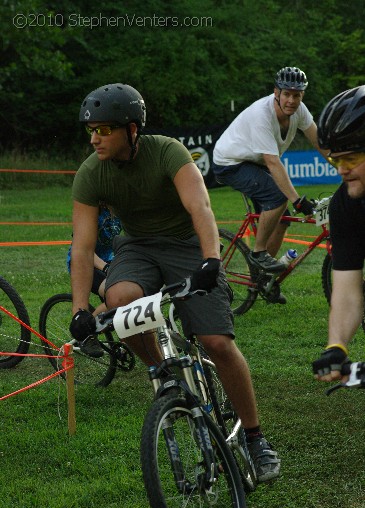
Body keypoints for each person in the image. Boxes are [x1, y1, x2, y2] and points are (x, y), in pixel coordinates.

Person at [68, 82, 281, 482]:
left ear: (132, 130)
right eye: (90, 130)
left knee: (217, 341)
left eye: (105, 129)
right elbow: (82, 247)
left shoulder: (168, 151)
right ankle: (163, 371)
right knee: (118, 299)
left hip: (186, 243)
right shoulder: (90, 173)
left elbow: (199, 206)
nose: (95, 138)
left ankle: (255, 438)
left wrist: (211, 260)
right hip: (138, 247)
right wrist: (80, 307)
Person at [212, 67, 326, 298]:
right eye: (287, 94)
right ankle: (258, 253)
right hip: (230, 162)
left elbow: (321, 144)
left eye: (297, 95)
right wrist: (297, 200)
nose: (292, 100)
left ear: (302, 96)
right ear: (276, 92)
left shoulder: (300, 111)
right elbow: (273, 163)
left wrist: (345, 167)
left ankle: (262, 280)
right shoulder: (261, 115)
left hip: (255, 161)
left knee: (282, 221)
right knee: (277, 196)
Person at [312, 85, 365, 382]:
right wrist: (337, 345)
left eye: (351, 158)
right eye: (336, 160)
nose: (342, 170)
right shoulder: (346, 204)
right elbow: (347, 287)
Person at [66, 203, 122, 357]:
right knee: (111, 293)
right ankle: (87, 333)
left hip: (109, 260)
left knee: (128, 296)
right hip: (87, 262)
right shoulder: (92, 211)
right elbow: (82, 248)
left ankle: (126, 339)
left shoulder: (119, 208)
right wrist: (105, 267)